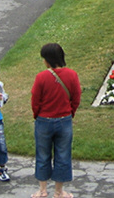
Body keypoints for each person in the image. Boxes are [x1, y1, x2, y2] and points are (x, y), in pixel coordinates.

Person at [31, 43, 81, 198]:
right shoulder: (72, 75)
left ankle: (42, 190)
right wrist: (69, 113)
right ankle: (59, 192)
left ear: (47, 60)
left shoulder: (41, 77)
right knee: (63, 155)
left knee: (43, 154)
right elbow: (76, 97)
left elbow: (35, 100)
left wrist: (37, 115)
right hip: (64, 120)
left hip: (44, 120)